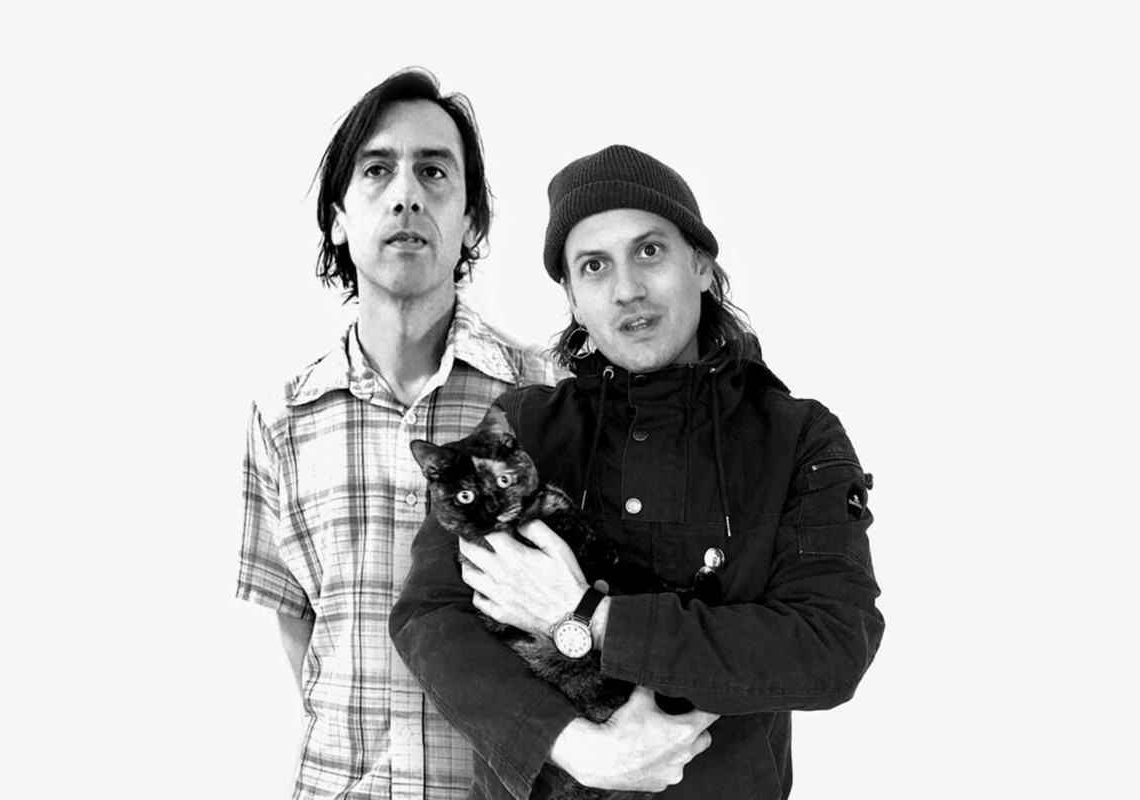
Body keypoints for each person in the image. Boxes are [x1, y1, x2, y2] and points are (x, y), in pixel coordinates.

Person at [390, 144, 884, 799]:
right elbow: (430, 618)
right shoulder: (524, 429)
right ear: (573, 297)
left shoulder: (797, 438)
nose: (626, 289)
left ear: (701, 266)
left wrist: (590, 616)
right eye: (594, 266)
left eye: (649, 251)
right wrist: (571, 745)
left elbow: (831, 646)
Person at [235, 68, 559, 800]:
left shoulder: (547, 395)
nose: (406, 193)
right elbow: (298, 624)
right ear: (340, 219)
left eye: (434, 171)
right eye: (377, 170)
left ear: (472, 223)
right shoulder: (282, 419)